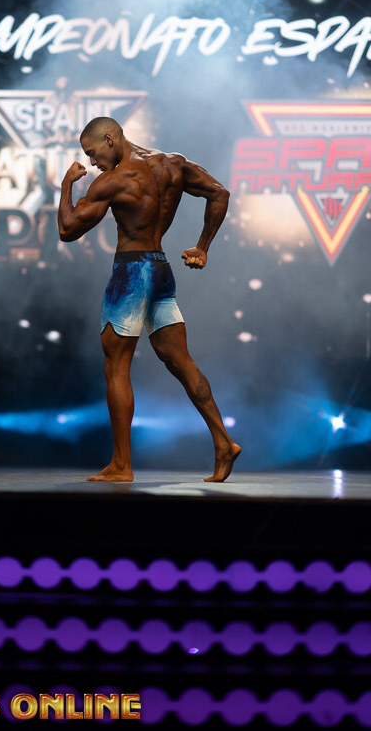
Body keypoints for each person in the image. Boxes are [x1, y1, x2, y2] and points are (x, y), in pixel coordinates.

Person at [58, 116, 241, 482]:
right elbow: (220, 193)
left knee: (116, 367)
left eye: (93, 153)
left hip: (131, 273)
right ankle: (224, 442)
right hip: (160, 269)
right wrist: (202, 247)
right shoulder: (172, 163)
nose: (92, 162)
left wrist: (66, 186)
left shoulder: (114, 180)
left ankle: (121, 466)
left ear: (110, 139)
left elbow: (67, 229)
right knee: (181, 361)